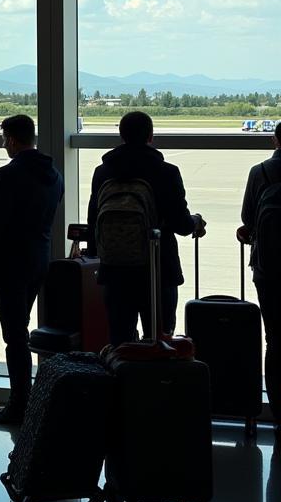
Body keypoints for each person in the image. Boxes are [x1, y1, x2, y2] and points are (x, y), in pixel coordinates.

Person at [86, 110, 205, 346]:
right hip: (158, 270)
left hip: (115, 272)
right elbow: (181, 225)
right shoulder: (167, 172)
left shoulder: (103, 172)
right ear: (150, 136)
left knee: (120, 344)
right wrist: (196, 221)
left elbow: (93, 221)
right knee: (159, 342)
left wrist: (94, 254)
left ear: (121, 136)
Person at [0, 115, 64, 424]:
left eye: (4, 140)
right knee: (21, 331)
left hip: (11, 264)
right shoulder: (54, 174)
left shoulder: (7, 175)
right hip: (39, 259)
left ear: (12, 139)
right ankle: (27, 400)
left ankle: (19, 404)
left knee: (14, 337)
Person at [238, 124, 281, 423]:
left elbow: (247, 218)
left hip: (269, 269)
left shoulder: (261, 172)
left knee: (275, 339)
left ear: (275, 139)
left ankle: (278, 412)